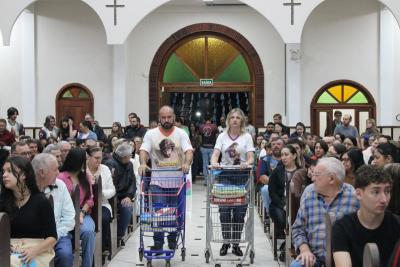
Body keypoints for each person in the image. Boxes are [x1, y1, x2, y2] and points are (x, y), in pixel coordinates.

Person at [139, 105, 193, 251]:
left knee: (175, 212)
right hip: (157, 182)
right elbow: (144, 150)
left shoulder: (181, 133)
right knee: (159, 212)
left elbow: (188, 151)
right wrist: (143, 163)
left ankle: (172, 239)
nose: (167, 120)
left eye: (169, 117)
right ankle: (158, 243)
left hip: (177, 182)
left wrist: (187, 163)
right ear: (159, 118)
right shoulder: (151, 134)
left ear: (174, 117)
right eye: (163, 117)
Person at [291, 157, 359, 267]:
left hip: (345, 261)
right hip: (314, 260)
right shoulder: (309, 194)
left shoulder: (353, 198)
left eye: (317, 175)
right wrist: (305, 250)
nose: (313, 178)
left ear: (331, 179)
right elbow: (298, 228)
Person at [332, 165, 400, 267]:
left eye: (387, 191)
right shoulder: (342, 227)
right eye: (376, 192)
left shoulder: (397, 224)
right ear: (359, 194)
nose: (384, 199)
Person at [210, 108, 254, 257]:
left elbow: (251, 157)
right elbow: (215, 154)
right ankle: (225, 242)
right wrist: (214, 162)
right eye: (232, 117)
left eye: (238, 117)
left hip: (242, 176)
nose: (235, 120)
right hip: (225, 175)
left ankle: (235, 243)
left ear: (242, 121)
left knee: (239, 212)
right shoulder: (222, 136)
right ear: (228, 120)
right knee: (224, 211)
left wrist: (246, 163)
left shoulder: (247, 136)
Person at [0, 156, 57, 266]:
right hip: (8, 250)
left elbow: (52, 238)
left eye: (9, 171)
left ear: (24, 175)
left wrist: (34, 251)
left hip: (36, 251)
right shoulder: (3, 202)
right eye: (3, 171)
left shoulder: (41, 201)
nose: (4, 175)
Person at [32, 153, 75, 267]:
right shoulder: (28, 190)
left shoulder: (60, 185)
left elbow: (69, 218)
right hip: (33, 238)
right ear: (41, 172)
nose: (58, 173)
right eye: (55, 170)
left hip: (59, 234)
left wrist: (53, 237)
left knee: (65, 254)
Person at [58, 148, 96, 267]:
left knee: (88, 231)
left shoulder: (85, 177)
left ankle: (87, 264)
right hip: (64, 214)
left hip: (82, 212)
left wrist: (82, 213)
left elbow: (90, 199)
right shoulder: (61, 178)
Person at [104, 143, 136, 246]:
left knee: (127, 208)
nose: (130, 157)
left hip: (124, 195)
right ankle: (111, 238)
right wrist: (117, 198)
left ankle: (119, 235)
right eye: (129, 155)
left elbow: (132, 182)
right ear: (124, 156)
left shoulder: (129, 164)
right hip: (113, 196)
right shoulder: (111, 164)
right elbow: (111, 186)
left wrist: (128, 196)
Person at [87, 146, 116, 253]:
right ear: (88, 158)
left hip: (102, 203)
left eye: (101, 158)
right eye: (96, 158)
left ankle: (103, 248)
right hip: (85, 205)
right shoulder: (82, 170)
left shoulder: (105, 169)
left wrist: (101, 193)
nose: (99, 160)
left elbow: (112, 190)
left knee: (103, 218)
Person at [269, 145, 301, 237]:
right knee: (282, 219)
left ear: (294, 156)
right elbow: (272, 192)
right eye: (282, 155)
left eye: (286, 155)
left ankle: (292, 241)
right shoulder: (277, 171)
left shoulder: (301, 171)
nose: (283, 157)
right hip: (279, 204)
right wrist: (283, 205)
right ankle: (287, 241)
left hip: (297, 204)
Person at [199, 116, 218, 185]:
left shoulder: (201, 127)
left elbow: (200, 138)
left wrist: (200, 146)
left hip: (204, 147)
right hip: (212, 147)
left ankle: (206, 181)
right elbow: (217, 137)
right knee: (213, 164)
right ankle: (212, 181)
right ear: (211, 119)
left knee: (205, 165)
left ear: (204, 120)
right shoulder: (214, 126)